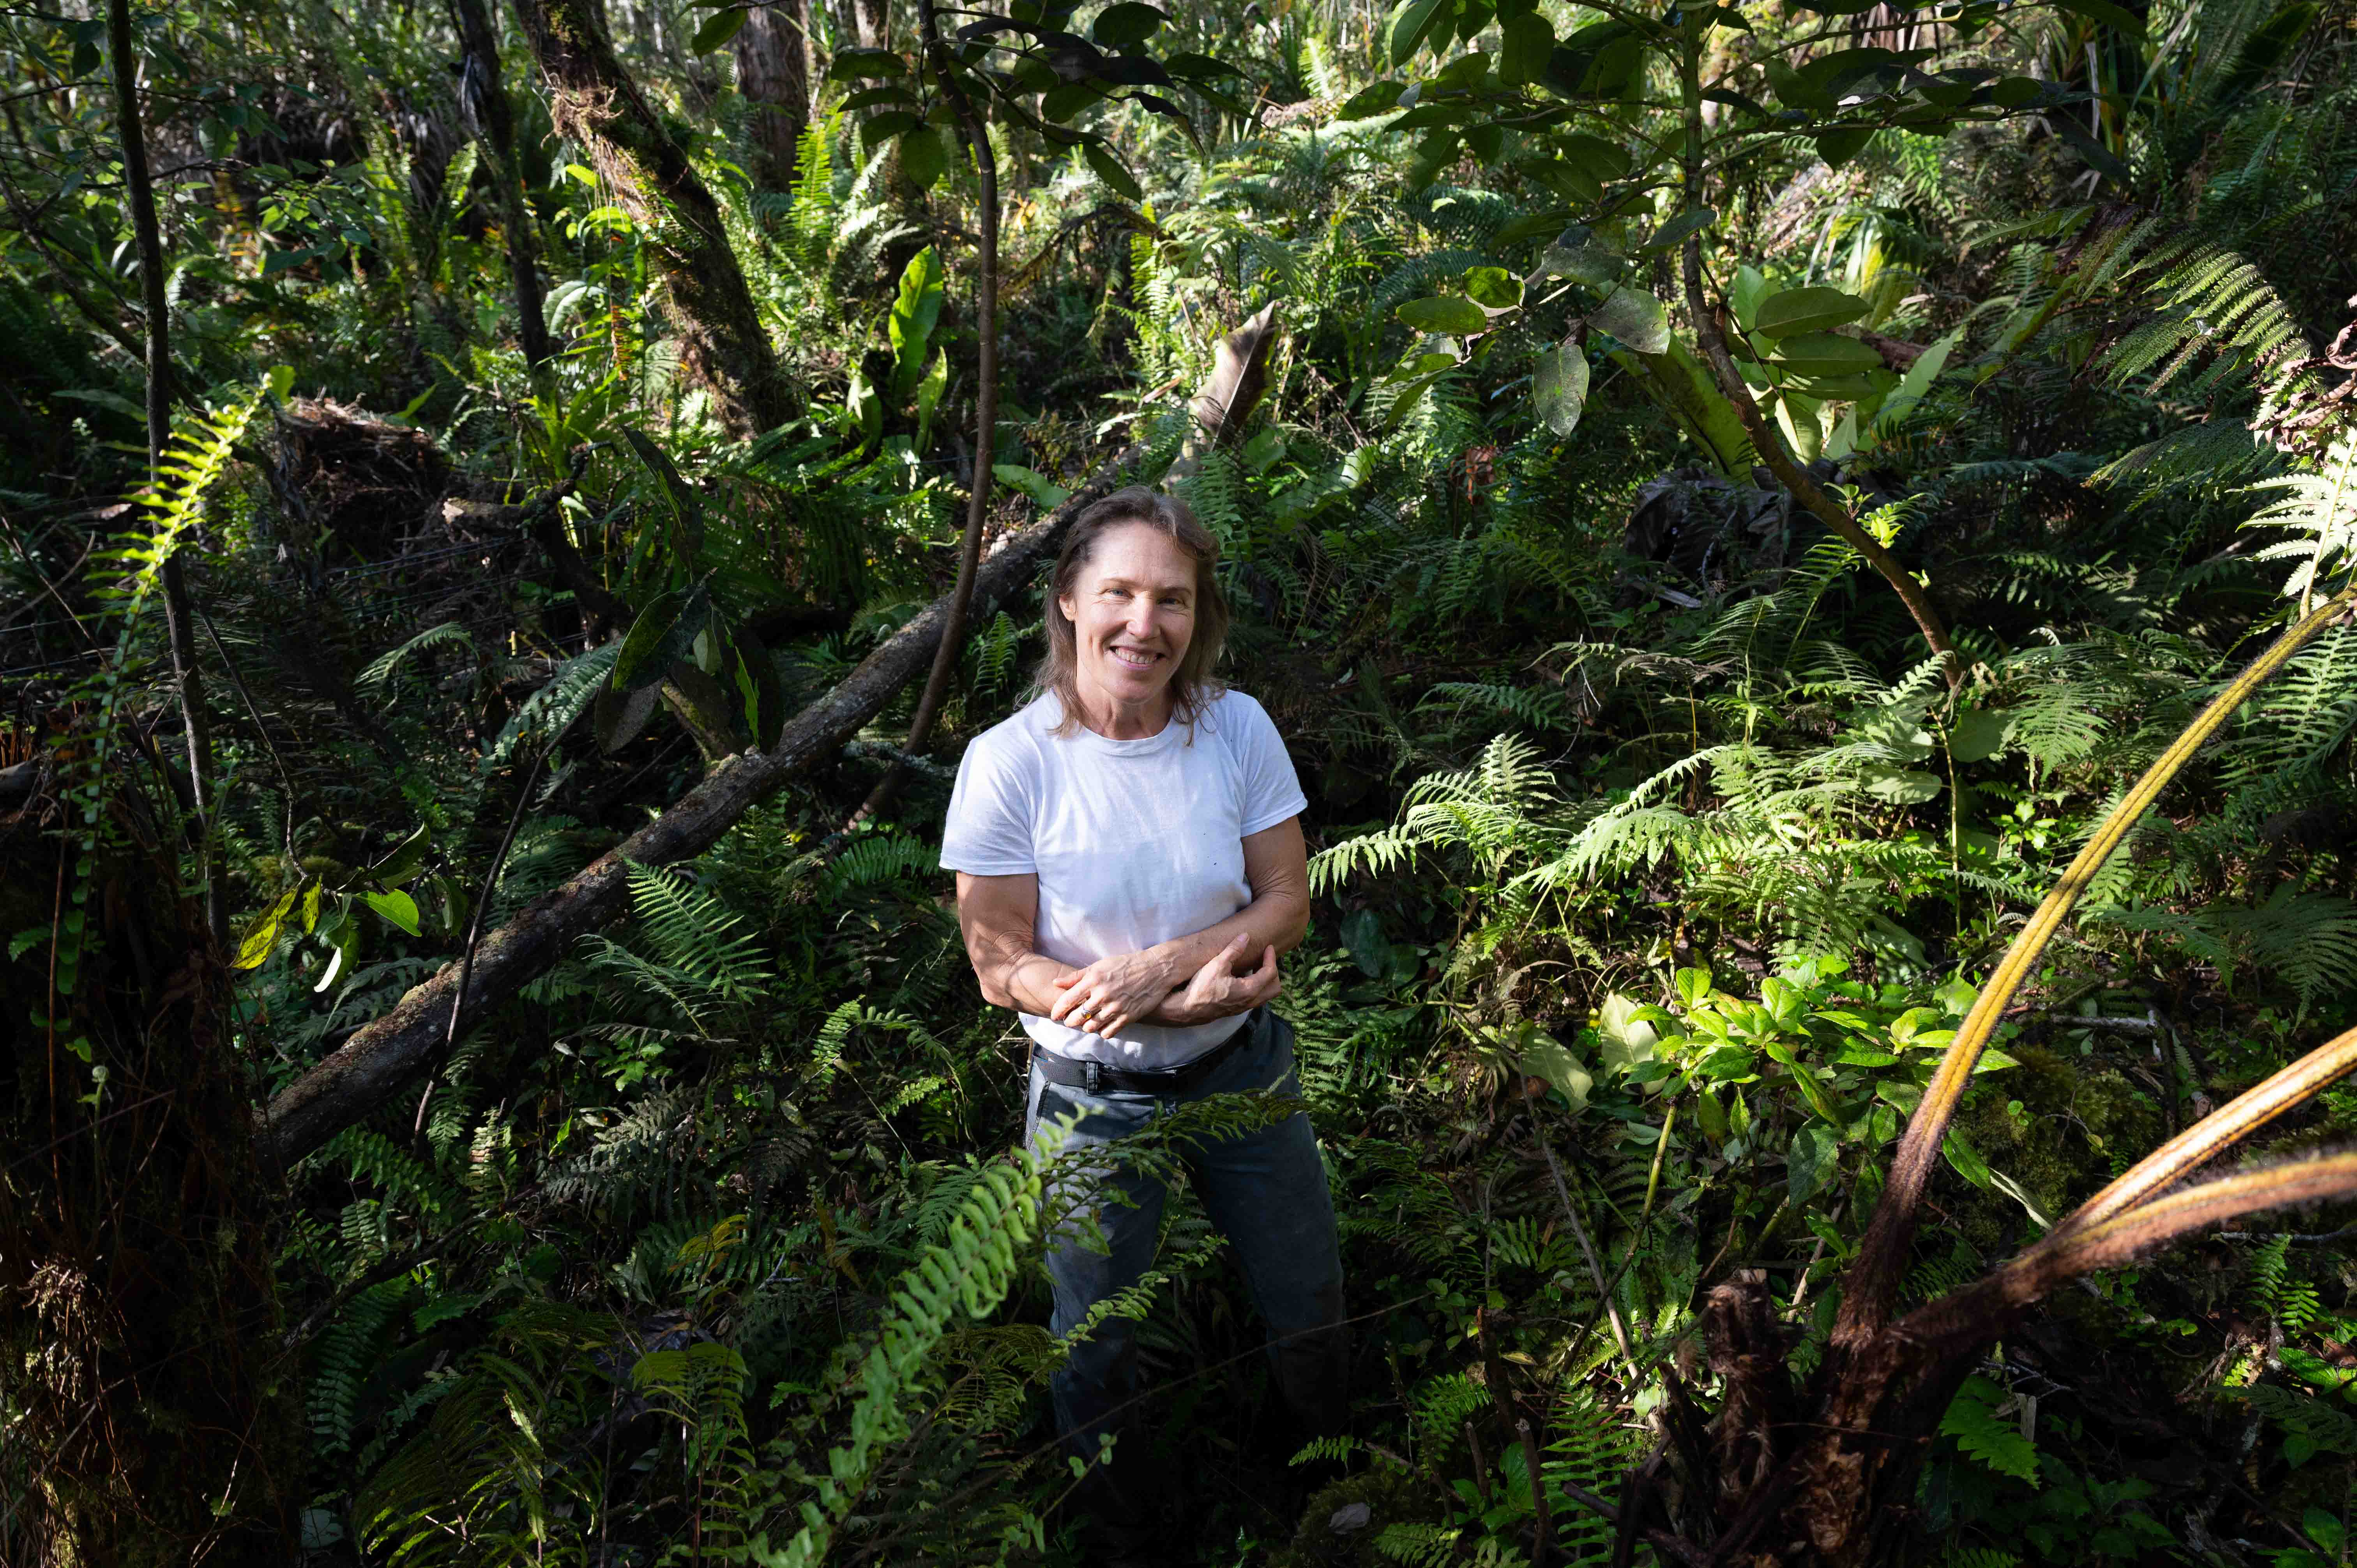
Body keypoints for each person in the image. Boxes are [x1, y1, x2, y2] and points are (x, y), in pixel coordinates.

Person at [938, 486, 1347, 1545]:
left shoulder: (1234, 729)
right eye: (1117, 591)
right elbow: (998, 965)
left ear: (1197, 616)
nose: (1143, 623)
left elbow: (1286, 900)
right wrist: (1146, 1008)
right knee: (1096, 1338)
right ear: (1070, 601)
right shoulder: (1011, 762)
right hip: (1092, 1102)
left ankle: (1342, 1486)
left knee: (1308, 1294)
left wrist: (1163, 973)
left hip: (1240, 1066)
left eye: (1171, 599)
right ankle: (1119, 1529)